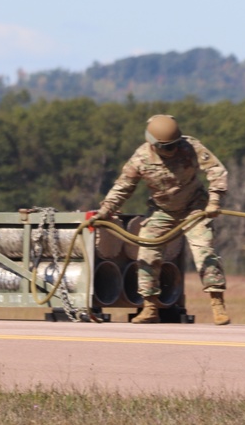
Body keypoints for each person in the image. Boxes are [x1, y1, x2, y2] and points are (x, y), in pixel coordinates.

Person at [96, 114, 231, 325]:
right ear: (153, 144)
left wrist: (214, 201)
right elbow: (123, 187)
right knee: (147, 254)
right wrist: (106, 209)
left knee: (204, 251)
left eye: (175, 145)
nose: (173, 150)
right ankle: (150, 307)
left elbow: (216, 170)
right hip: (162, 211)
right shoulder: (140, 158)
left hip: (195, 207)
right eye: (167, 147)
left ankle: (217, 304)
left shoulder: (190, 147)